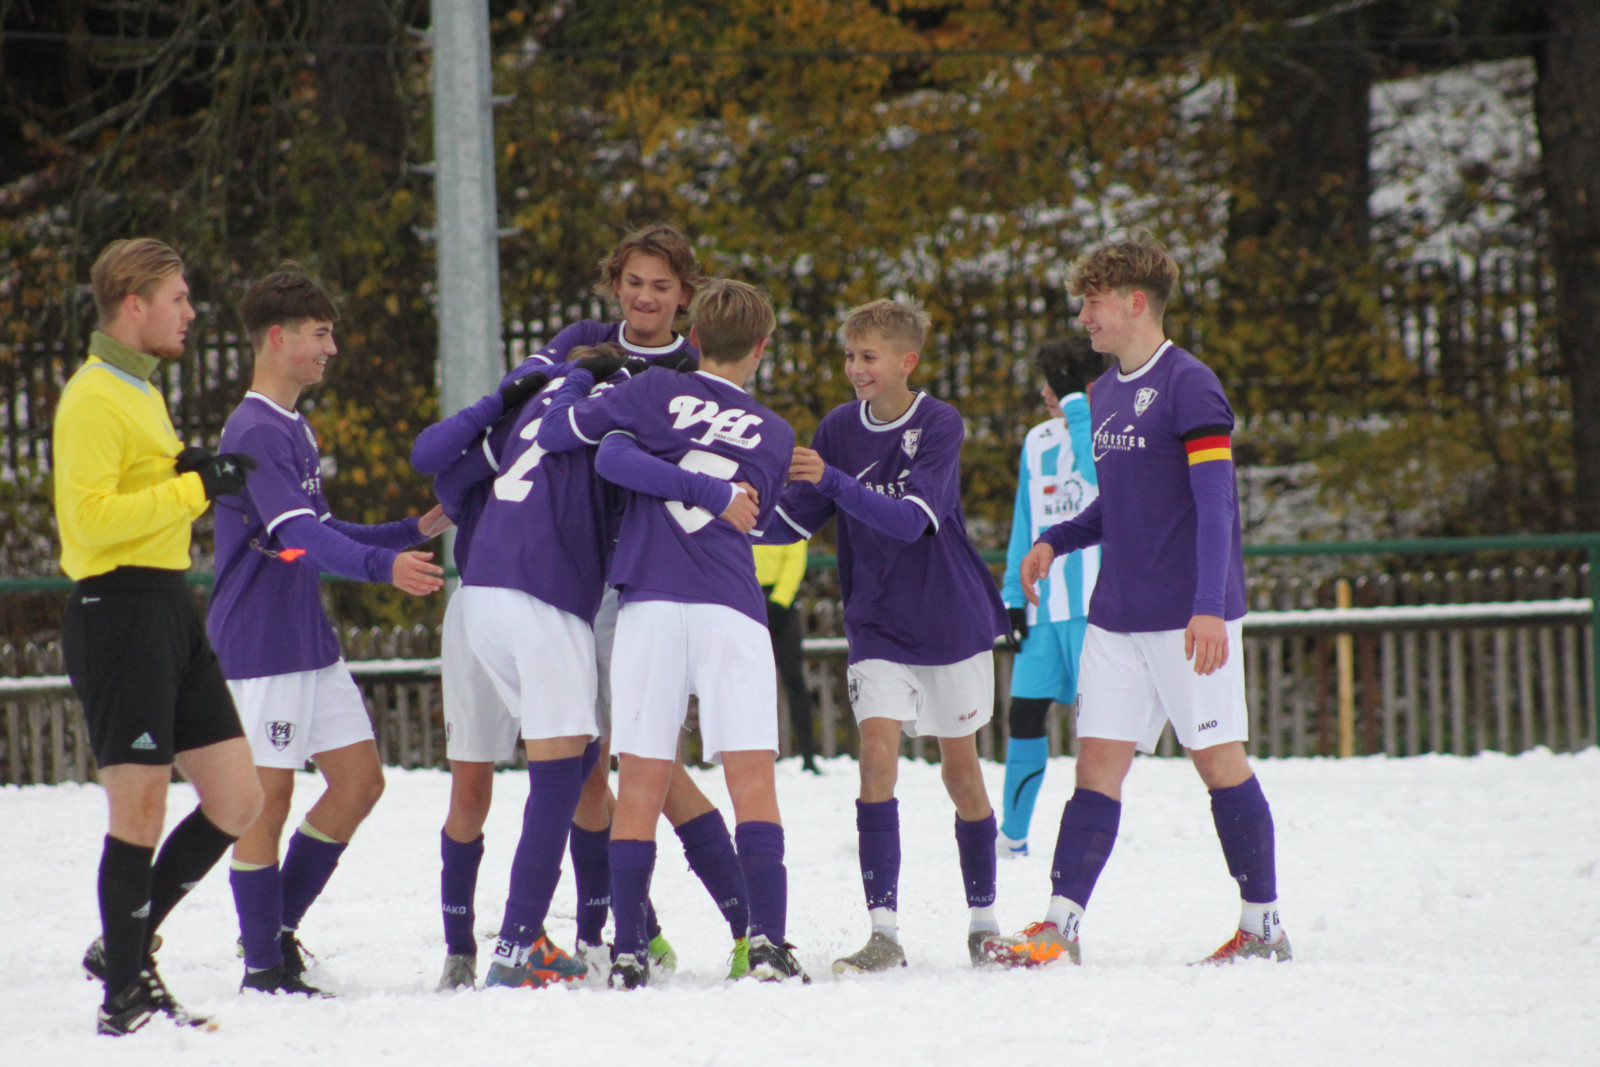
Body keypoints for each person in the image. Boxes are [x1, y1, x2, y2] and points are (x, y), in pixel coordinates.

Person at [411, 226, 750, 988]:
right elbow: (510, 435)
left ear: (685, 296)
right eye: (633, 280)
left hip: (621, 586)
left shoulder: (693, 368)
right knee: (586, 767)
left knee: (629, 764)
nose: (644, 296)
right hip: (550, 584)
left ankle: (632, 930)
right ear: (614, 281)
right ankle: (583, 936)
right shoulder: (581, 344)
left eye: (661, 285)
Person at [984, 234, 1290, 968]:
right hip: (1116, 616)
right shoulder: (1100, 393)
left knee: (1219, 762)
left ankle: (1263, 925)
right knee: (1096, 767)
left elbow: (1216, 505)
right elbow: (1117, 506)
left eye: (1092, 303)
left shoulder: (1192, 384)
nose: (1084, 317)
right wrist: (1054, 540)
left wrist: (1210, 605)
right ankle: (1059, 924)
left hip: (1190, 618)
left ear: (1135, 302)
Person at [538, 278, 807, 987]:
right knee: (752, 777)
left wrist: (571, 380)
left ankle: (628, 949)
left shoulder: (655, 390)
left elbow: (577, 439)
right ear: (760, 347)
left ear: (693, 340)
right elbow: (761, 518)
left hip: (652, 601)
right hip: (731, 604)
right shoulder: (776, 434)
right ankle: (770, 943)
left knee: (643, 775)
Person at [207, 266, 450, 995]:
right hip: (262, 643)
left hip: (305, 638)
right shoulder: (252, 428)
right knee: (265, 801)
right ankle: (261, 967)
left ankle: (273, 933)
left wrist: (409, 529)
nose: (331, 348)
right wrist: (384, 566)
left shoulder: (294, 426)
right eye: (320, 334)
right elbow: (298, 533)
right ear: (277, 339)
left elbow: (316, 528)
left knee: (359, 782)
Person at [53, 237, 264, 1035]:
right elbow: (88, 524)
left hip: (170, 607)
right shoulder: (93, 395)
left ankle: (121, 945)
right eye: (178, 297)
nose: (190, 310)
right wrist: (191, 485)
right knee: (138, 810)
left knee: (238, 797)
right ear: (133, 304)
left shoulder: (139, 390)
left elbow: (146, 485)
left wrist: (187, 463)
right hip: (118, 613)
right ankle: (125, 998)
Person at [766, 299, 1010, 974]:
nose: (854, 368)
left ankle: (984, 922)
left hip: (948, 621)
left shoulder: (938, 423)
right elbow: (794, 517)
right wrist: (726, 512)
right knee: (876, 759)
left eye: (868, 356)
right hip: (874, 624)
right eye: (848, 355)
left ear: (907, 361)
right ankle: (884, 932)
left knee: (962, 775)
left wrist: (834, 480)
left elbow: (913, 521)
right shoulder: (839, 427)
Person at [996, 337, 1106, 858]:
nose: (1044, 392)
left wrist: (1080, 409)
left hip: (1096, 610)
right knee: (1023, 716)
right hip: (1045, 612)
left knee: (1100, 729)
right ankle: (1012, 838)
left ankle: (1086, 841)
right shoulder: (1037, 440)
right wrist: (1013, 596)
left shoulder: (1108, 432)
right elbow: (1026, 520)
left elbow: (1095, 472)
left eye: (1054, 384)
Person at [753, 542, 819, 773]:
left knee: (794, 681)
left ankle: (808, 756)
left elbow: (795, 560)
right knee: (748, 683)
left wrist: (780, 600)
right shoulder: (739, 510)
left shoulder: (785, 513)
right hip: (747, 598)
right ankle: (750, 757)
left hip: (780, 604)